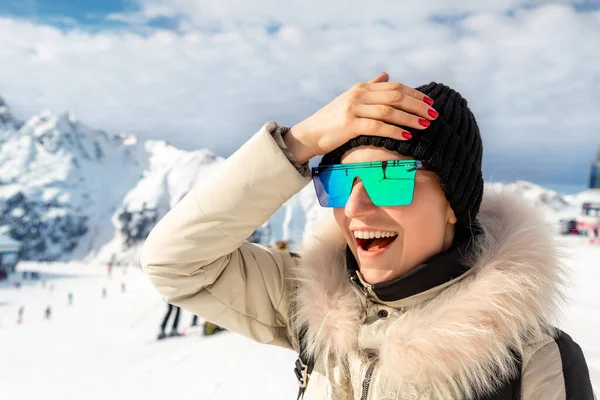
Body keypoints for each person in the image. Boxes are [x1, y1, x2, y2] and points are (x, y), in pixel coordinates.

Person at [141, 73, 595, 399]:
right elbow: (175, 262)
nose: (355, 209)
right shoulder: (314, 303)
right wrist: (299, 142)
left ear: (454, 204)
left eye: (387, 178)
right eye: (339, 183)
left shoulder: (532, 362)